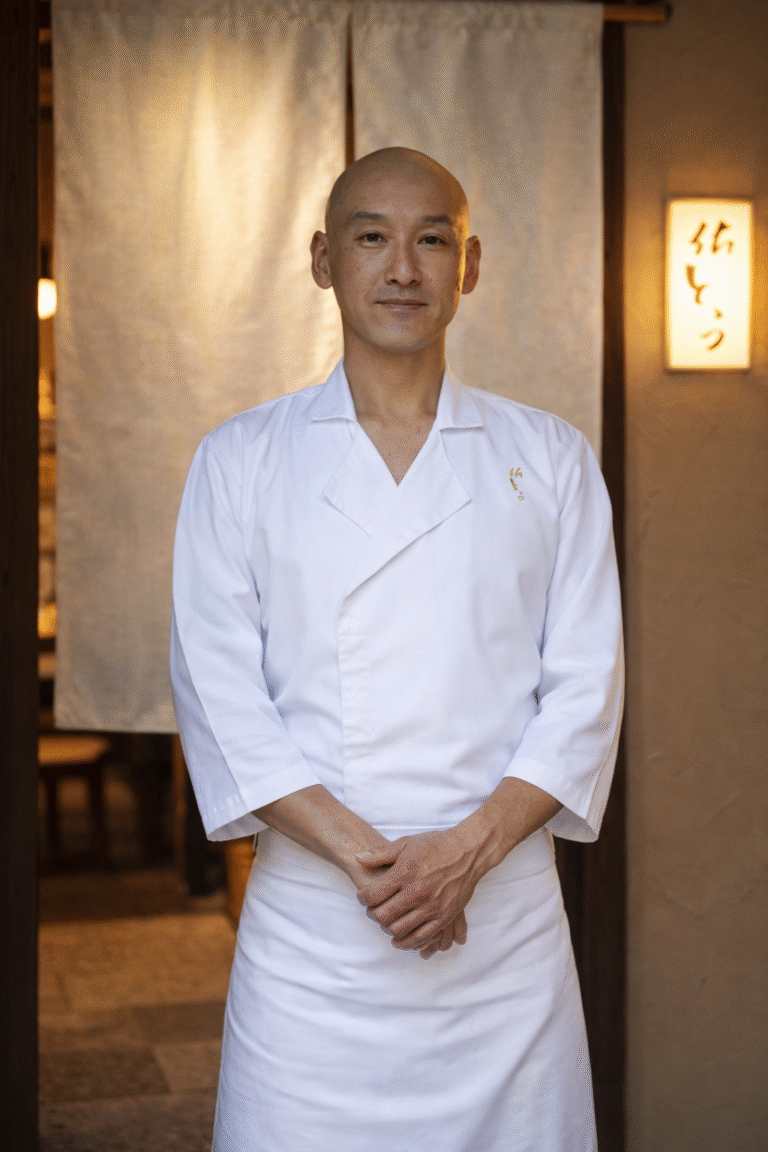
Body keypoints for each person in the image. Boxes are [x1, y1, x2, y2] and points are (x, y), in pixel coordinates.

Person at [171, 147, 624, 1152]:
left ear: (469, 266)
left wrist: (464, 856)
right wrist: (381, 866)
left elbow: (587, 690)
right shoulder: (241, 460)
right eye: (372, 236)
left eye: (432, 239)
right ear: (323, 259)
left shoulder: (547, 457)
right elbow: (219, 693)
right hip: (317, 935)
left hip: (499, 927)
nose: (403, 267)